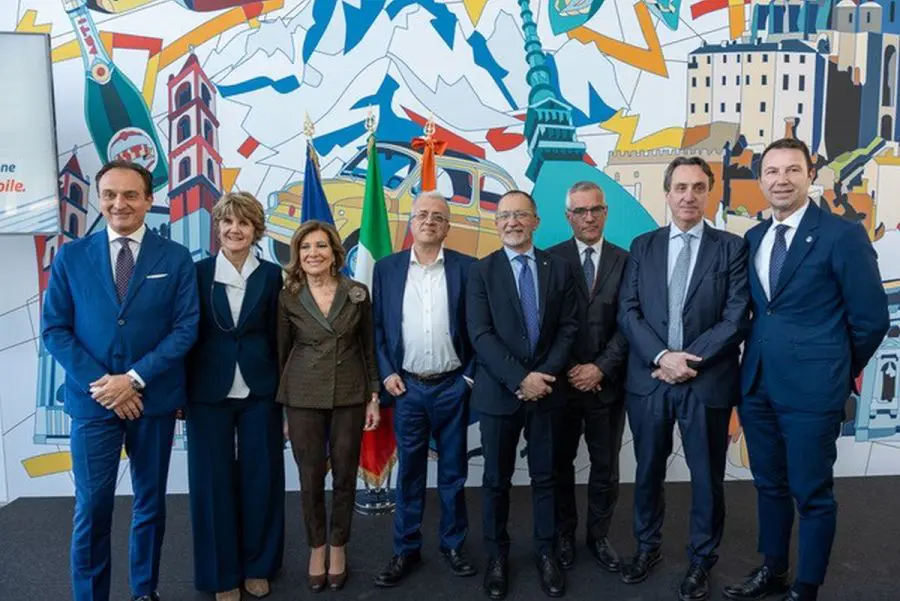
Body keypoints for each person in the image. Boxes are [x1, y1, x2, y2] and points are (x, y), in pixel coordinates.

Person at [723, 138, 889, 601]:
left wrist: (834, 369)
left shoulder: (842, 235)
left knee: (812, 492)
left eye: (792, 170)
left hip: (814, 391)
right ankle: (773, 569)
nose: (781, 180)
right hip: (757, 385)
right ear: (760, 180)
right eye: (772, 171)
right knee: (769, 485)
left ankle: (807, 586)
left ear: (810, 175)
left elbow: (872, 319)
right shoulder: (754, 238)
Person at [41, 160, 199, 601]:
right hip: (94, 402)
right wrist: (106, 385)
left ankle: (144, 590)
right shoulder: (71, 256)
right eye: (109, 194)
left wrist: (133, 379)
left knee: (149, 503)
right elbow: (55, 329)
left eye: (130, 194)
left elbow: (186, 328)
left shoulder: (175, 257)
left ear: (149, 199)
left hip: (153, 399)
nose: (119, 203)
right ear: (99, 199)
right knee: (93, 507)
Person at [618, 156, 750, 601]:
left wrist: (686, 361)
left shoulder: (731, 248)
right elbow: (628, 311)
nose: (688, 196)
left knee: (706, 477)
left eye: (697, 187)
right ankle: (647, 547)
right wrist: (661, 356)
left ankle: (701, 560)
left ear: (709, 192)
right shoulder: (643, 246)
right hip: (650, 379)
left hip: (705, 381)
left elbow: (735, 317)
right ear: (667, 193)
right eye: (680, 187)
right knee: (648, 470)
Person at [466, 190, 578, 600]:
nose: (512, 222)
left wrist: (542, 376)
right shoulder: (481, 271)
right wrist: (520, 379)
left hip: (547, 392)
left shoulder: (559, 268)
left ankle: (546, 553)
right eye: (504, 216)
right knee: (496, 480)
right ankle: (497, 556)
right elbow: (480, 334)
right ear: (496, 223)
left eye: (520, 215)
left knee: (546, 477)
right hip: (499, 394)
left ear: (536, 221)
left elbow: (569, 327)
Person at [372, 191, 477, 586]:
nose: (429, 221)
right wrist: (386, 374)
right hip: (408, 389)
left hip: (453, 386)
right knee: (410, 475)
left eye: (438, 216)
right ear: (411, 222)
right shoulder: (386, 269)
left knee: (453, 474)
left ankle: (453, 544)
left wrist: (468, 378)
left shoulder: (468, 268)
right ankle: (406, 549)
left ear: (447, 227)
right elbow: (378, 328)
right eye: (422, 215)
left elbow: (479, 328)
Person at [185, 192, 285, 601]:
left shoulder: (274, 275)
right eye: (227, 222)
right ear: (218, 227)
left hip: (261, 390)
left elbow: (281, 338)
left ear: (256, 229)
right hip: (207, 391)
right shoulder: (197, 273)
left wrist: (286, 398)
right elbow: (185, 335)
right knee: (212, 484)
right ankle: (220, 574)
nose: (234, 230)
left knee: (262, 479)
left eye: (243, 223)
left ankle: (259, 566)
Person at [277, 219, 381, 593]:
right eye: (305, 247)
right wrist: (284, 409)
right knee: (309, 478)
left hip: (349, 394)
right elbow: (281, 354)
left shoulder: (357, 293)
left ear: (335, 252)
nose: (313, 253)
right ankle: (316, 547)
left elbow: (368, 349)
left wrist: (373, 397)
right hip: (302, 395)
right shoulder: (288, 296)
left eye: (320, 246)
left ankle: (338, 546)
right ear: (297, 255)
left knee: (345, 476)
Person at [547, 181, 629, 573]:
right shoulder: (550, 260)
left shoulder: (626, 261)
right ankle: (564, 534)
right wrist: (570, 369)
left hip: (607, 385)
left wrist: (600, 367)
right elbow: (544, 325)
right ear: (568, 217)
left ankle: (598, 536)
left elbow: (631, 322)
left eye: (595, 209)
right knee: (560, 465)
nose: (589, 217)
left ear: (605, 212)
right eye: (580, 211)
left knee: (605, 468)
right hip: (562, 387)